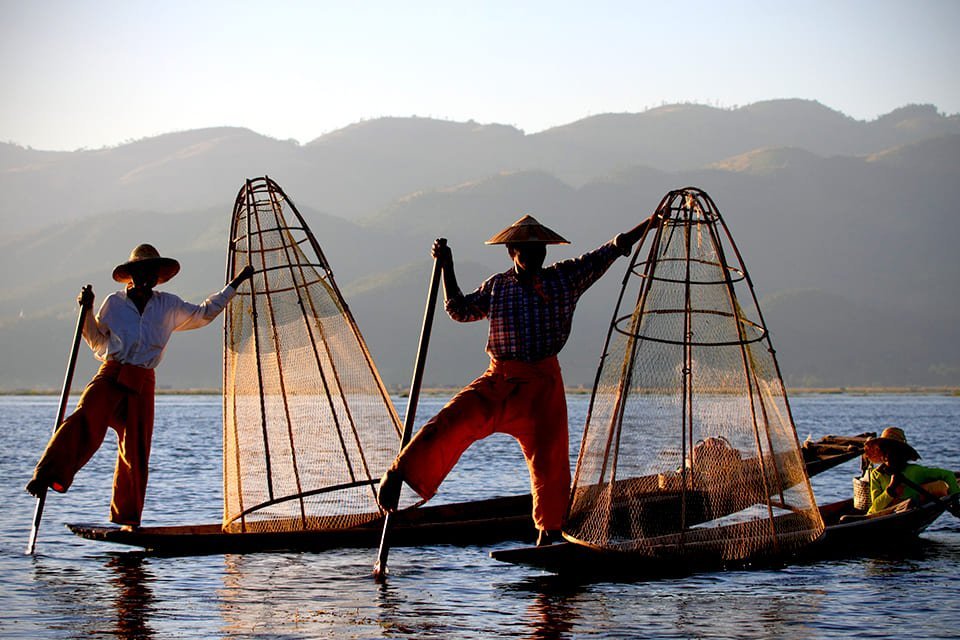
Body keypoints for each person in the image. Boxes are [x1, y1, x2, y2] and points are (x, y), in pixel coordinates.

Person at [378, 212, 659, 545]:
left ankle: (549, 534)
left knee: (551, 465)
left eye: (538, 250)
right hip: (500, 381)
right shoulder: (497, 287)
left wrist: (650, 223)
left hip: (543, 387)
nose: (533, 257)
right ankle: (400, 474)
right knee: (452, 421)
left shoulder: (563, 278)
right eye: (525, 251)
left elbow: (611, 250)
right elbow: (459, 309)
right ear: (512, 252)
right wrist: (447, 266)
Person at [25, 244, 254, 530]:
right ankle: (46, 475)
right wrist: (87, 309)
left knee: (136, 450)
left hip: (142, 381)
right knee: (85, 417)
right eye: (142, 272)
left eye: (153, 274)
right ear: (132, 275)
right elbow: (96, 340)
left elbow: (204, 313)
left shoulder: (168, 305)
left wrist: (235, 284)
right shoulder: (115, 303)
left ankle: (128, 519)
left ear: (158, 278)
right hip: (112, 373)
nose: (148, 278)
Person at [864, 426, 959, 516]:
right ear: (881, 452)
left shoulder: (915, 471)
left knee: (939, 486)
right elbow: (876, 508)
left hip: (909, 509)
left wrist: (955, 502)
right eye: (885, 450)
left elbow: (948, 475)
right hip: (879, 516)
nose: (888, 456)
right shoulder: (876, 474)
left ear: (901, 454)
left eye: (893, 452)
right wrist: (891, 489)